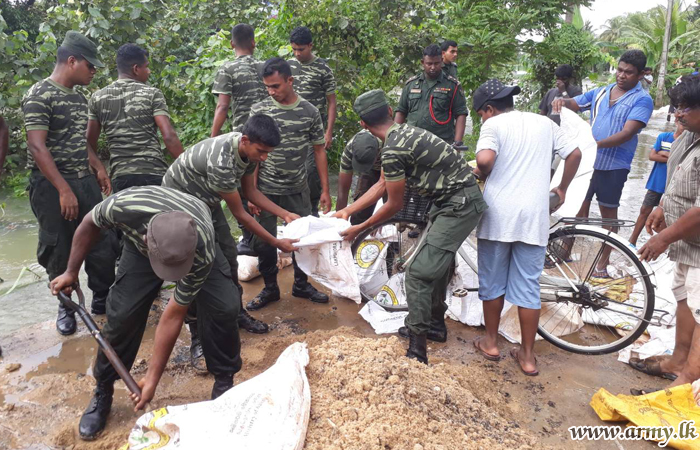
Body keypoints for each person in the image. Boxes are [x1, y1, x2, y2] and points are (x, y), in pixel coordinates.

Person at [50, 186, 242, 439]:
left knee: (224, 307)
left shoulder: (201, 248)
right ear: (145, 239)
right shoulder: (121, 207)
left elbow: (173, 315)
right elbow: (88, 224)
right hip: (142, 252)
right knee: (122, 315)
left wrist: (152, 379)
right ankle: (103, 389)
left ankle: (224, 381)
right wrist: (71, 271)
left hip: (192, 248)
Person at [335, 89, 486, 364]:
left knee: (417, 274)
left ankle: (417, 350)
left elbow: (393, 205)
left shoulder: (393, 148)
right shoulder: (402, 134)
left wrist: (359, 227)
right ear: (390, 112)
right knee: (436, 267)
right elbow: (382, 184)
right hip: (451, 202)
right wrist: (347, 211)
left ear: (363, 124)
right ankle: (435, 325)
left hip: (459, 206)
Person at [163, 114, 299, 367]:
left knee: (228, 259)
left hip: (208, 202)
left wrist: (285, 214)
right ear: (245, 140)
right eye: (261, 151)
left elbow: (250, 192)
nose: (264, 158)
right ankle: (198, 336)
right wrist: (276, 242)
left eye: (268, 153)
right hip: (181, 207)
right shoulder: (222, 162)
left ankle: (237, 314)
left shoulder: (248, 153)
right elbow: (241, 214)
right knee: (196, 269)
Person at [471, 79, 581, 376]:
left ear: (489, 109)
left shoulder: (493, 125)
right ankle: (528, 356)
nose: (482, 119)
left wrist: (480, 170)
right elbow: (575, 154)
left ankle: (491, 343)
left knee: (492, 283)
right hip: (534, 217)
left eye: (481, 114)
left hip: (498, 216)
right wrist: (562, 188)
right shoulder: (544, 123)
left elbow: (485, 160)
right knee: (529, 288)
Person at [21, 31, 115, 332]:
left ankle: (101, 298)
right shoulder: (39, 94)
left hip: (83, 179)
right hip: (51, 186)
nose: (93, 71)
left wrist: (98, 166)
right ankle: (66, 306)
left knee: (100, 238)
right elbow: (37, 146)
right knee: (58, 245)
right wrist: (63, 189)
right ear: (72, 61)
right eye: (90, 65)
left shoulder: (78, 97)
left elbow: (79, 140)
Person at [552, 49, 654, 278]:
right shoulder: (602, 91)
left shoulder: (642, 100)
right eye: (619, 70)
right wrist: (561, 101)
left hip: (614, 165)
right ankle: (564, 251)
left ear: (640, 75)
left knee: (609, 214)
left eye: (628, 72)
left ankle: (602, 264)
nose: (621, 75)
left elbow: (627, 133)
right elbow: (575, 103)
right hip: (588, 162)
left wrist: (593, 144)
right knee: (578, 207)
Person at [245, 57, 331, 310]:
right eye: (267, 87)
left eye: (276, 86)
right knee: (264, 241)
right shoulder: (260, 110)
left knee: (302, 241)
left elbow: (319, 151)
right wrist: (252, 192)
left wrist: (325, 190)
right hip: (266, 190)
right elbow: (252, 155)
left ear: (290, 80)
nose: (271, 92)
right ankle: (270, 288)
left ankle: (301, 285)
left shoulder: (309, 112)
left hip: (297, 188)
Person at [633, 75, 700, 395]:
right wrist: (662, 206)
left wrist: (663, 238)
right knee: (684, 297)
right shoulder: (689, 135)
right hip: (689, 242)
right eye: (678, 106)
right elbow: (677, 178)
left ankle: (688, 377)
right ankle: (678, 361)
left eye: (687, 107)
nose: (679, 113)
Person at [87, 43, 183, 193]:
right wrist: (186, 166)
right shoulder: (152, 94)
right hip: (153, 173)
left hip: (120, 177)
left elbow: (89, 141)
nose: (149, 71)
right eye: (147, 67)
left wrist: (99, 170)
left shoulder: (97, 98)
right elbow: (169, 136)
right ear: (136, 69)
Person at [211, 24, 268, 256]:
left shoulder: (228, 68)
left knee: (244, 187)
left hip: (243, 139)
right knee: (263, 186)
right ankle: (265, 235)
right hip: (268, 134)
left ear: (232, 44)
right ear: (253, 42)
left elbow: (223, 106)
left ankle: (250, 239)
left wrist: (213, 138)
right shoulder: (265, 67)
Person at [288, 26, 337, 217]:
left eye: (301, 49)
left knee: (311, 170)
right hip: (291, 128)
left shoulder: (323, 68)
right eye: (294, 49)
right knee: (293, 169)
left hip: (314, 129)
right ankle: (294, 212)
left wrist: (329, 132)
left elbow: (331, 102)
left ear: (310, 45)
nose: (297, 53)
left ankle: (312, 209)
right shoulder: (289, 66)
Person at [395, 44, 468, 147]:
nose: (433, 67)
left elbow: (461, 113)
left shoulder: (452, 85)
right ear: (422, 63)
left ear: (441, 61)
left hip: (441, 144)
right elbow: (401, 111)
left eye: (436, 63)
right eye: (429, 64)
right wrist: (395, 137)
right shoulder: (411, 84)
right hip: (412, 142)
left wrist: (457, 143)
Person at [629, 120, 684, 246]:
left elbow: (682, 161)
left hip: (673, 185)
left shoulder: (687, 142)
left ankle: (662, 245)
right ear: (676, 121)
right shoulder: (664, 137)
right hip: (657, 182)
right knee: (644, 210)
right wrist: (672, 156)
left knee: (668, 216)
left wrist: (664, 153)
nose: (683, 126)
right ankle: (632, 241)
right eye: (680, 122)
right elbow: (652, 156)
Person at [336, 130, 383, 225]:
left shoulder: (388, 145)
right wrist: (339, 221)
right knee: (360, 209)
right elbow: (343, 190)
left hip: (391, 165)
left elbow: (385, 185)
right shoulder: (349, 150)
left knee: (391, 213)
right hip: (371, 169)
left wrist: (380, 220)